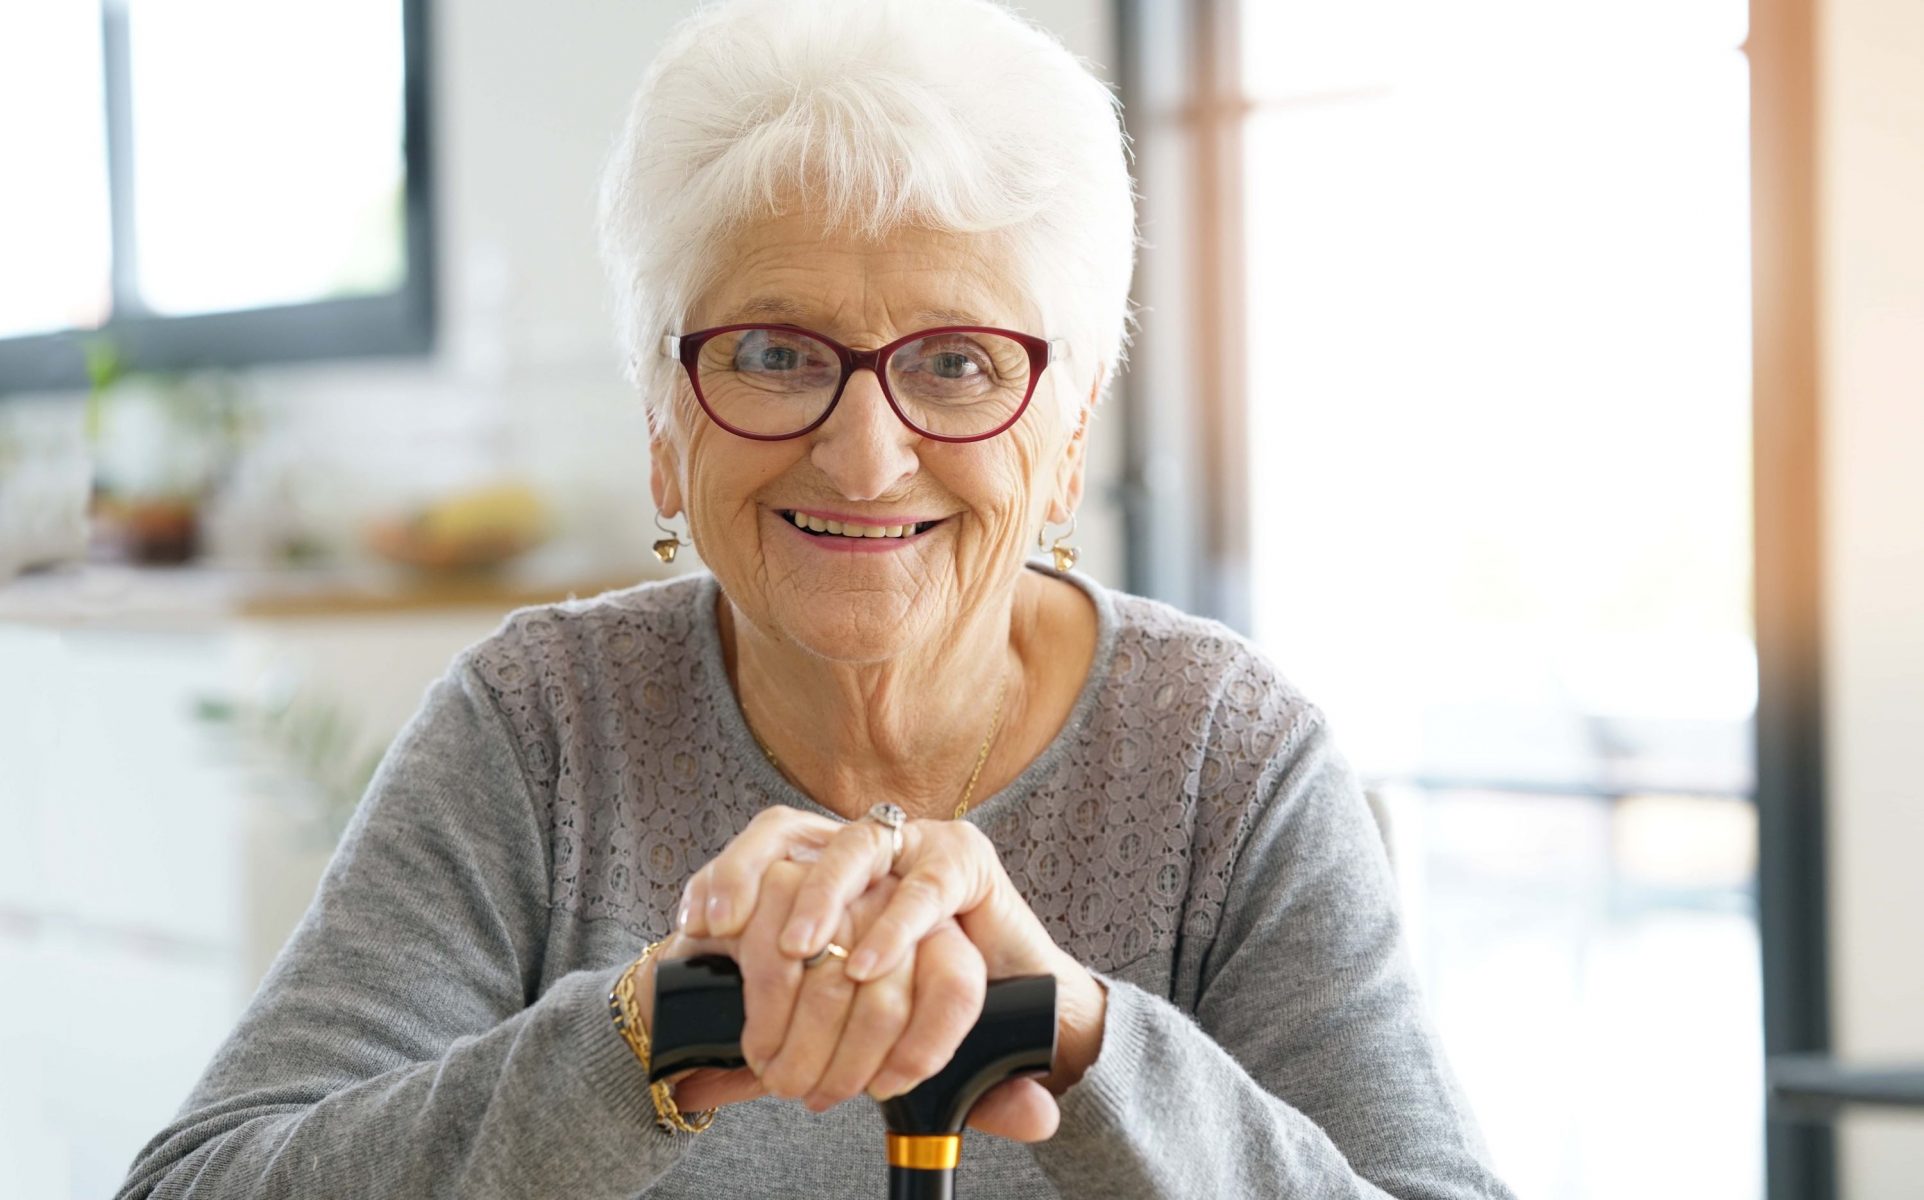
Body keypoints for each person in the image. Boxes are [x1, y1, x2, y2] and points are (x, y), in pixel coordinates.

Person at [116, 1, 1514, 1196]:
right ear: (668, 423)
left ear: (1070, 434)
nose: (863, 451)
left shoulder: (1226, 756)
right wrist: (646, 1036)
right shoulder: (538, 728)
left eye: (958, 363)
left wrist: (1076, 1037)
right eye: (777, 352)